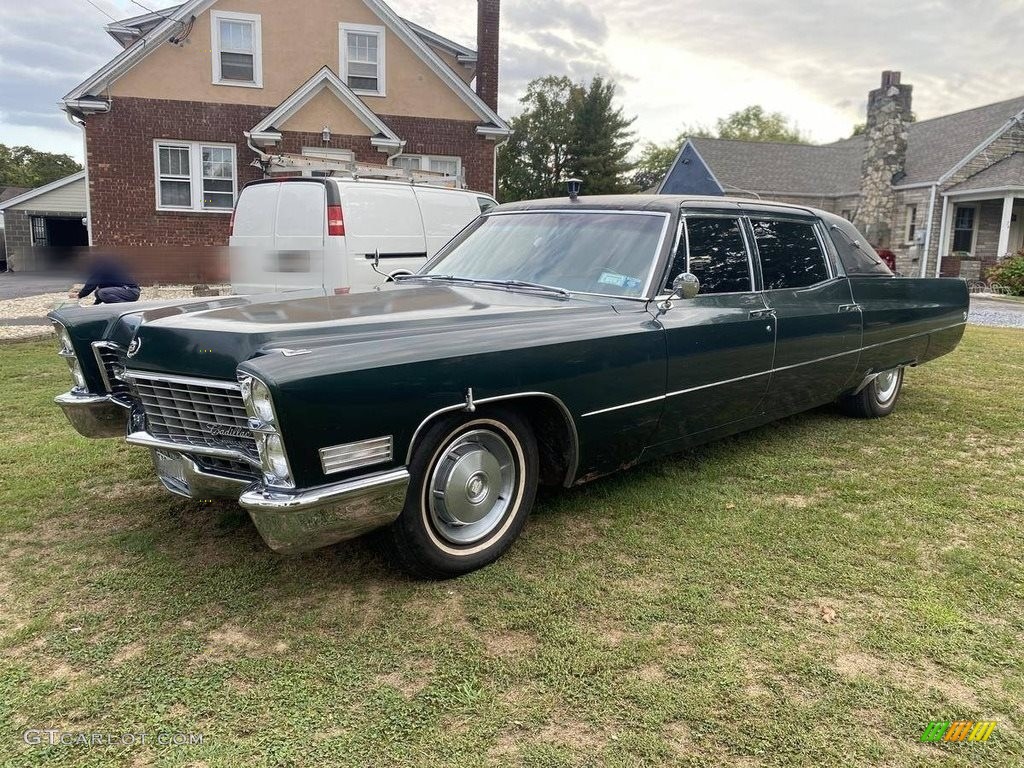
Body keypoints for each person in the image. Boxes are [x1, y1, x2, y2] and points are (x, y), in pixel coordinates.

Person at [69, 255, 141, 304]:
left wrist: (79, 295)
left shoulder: (101, 269)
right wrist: (95, 305)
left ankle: (125, 306)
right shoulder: (104, 270)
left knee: (102, 292)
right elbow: (100, 291)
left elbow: (91, 284)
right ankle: (120, 305)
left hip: (131, 291)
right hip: (128, 292)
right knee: (98, 292)